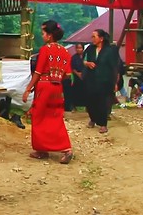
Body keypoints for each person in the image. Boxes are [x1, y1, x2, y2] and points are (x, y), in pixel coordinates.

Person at [22, 20, 73, 164]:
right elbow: (67, 75)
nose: (42, 35)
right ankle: (66, 148)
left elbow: (37, 72)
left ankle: (41, 150)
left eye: (44, 33)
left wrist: (28, 89)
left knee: (38, 116)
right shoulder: (65, 51)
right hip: (57, 88)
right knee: (55, 117)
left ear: (50, 36)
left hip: (44, 86)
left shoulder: (45, 49)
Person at [83, 29, 119, 133]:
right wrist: (87, 63)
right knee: (90, 100)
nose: (92, 39)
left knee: (103, 102)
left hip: (105, 80)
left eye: (94, 36)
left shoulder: (109, 50)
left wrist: (115, 82)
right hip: (91, 79)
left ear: (101, 38)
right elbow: (83, 60)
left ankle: (103, 124)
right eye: (92, 37)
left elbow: (114, 67)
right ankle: (93, 118)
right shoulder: (90, 49)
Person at [71, 43, 87, 109]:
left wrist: (83, 74)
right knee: (76, 91)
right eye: (77, 48)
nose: (79, 49)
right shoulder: (74, 57)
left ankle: (87, 106)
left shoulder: (86, 56)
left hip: (85, 76)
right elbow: (72, 67)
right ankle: (74, 106)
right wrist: (78, 74)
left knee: (86, 92)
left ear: (83, 49)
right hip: (77, 77)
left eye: (80, 48)